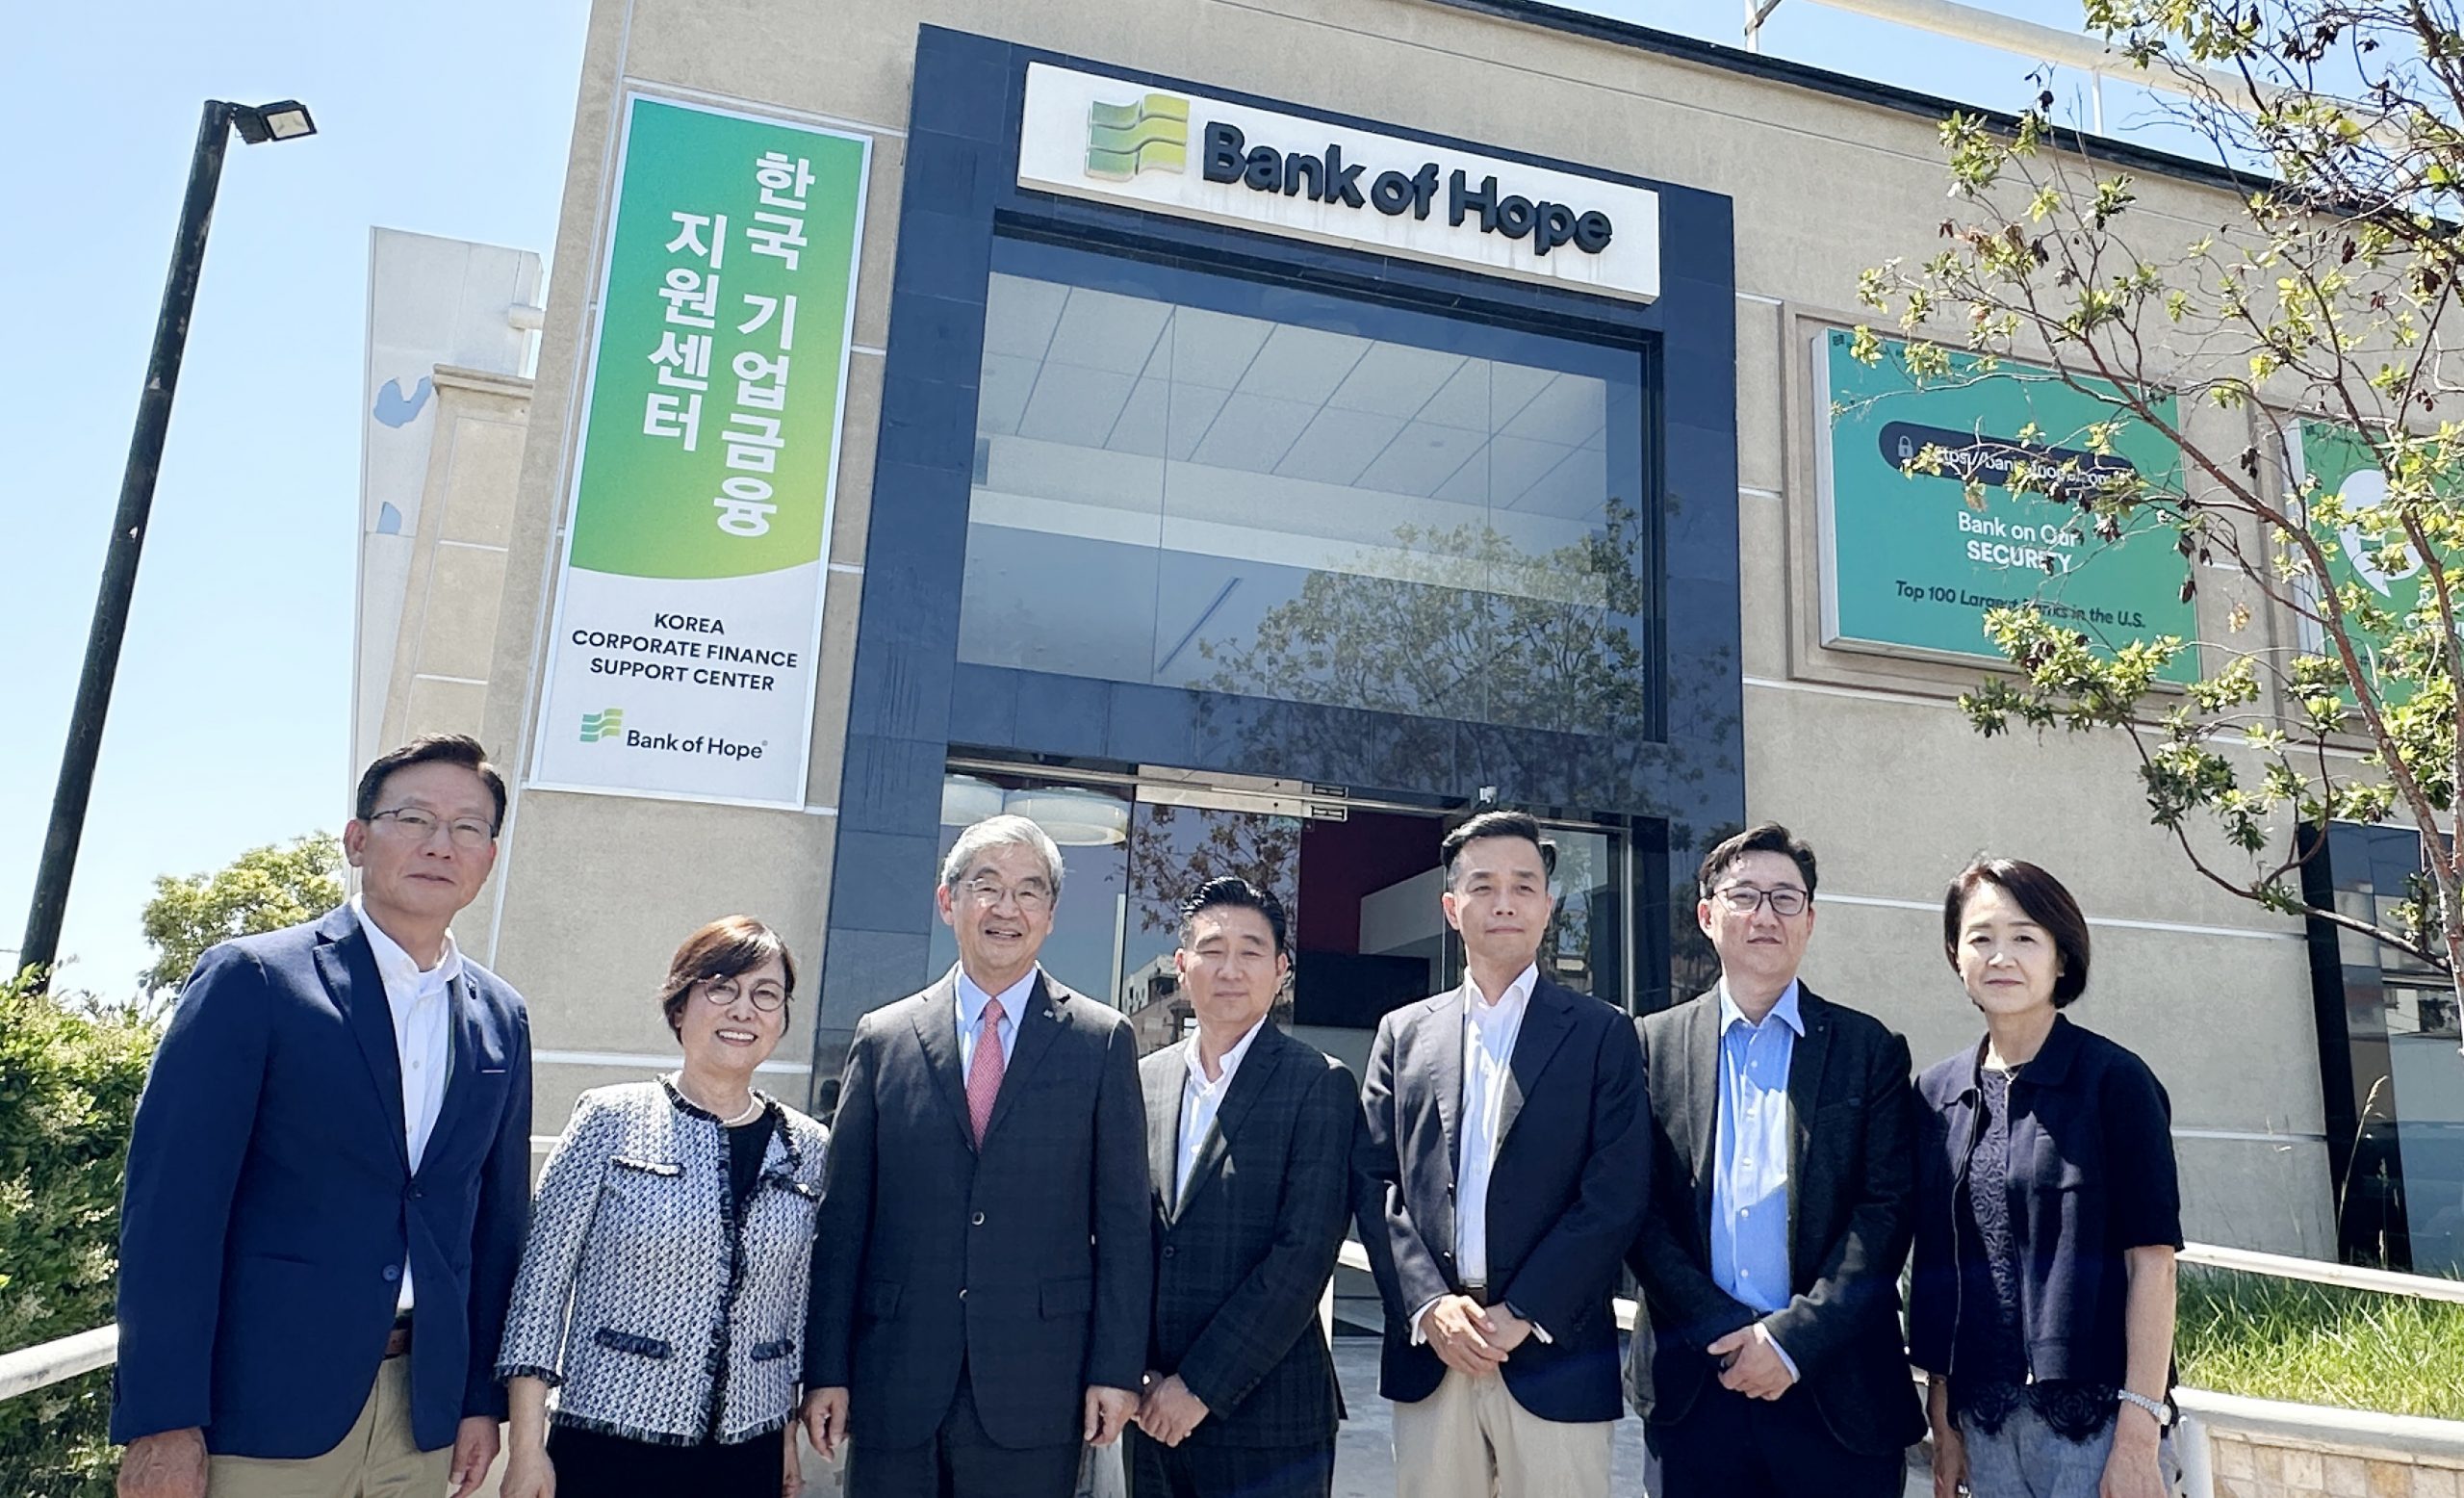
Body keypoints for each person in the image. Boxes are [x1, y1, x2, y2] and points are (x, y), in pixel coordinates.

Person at [112, 735, 533, 1498]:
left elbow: (494, 1226)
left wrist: (480, 1400)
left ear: (490, 857)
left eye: (468, 827)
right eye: (414, 818)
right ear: (358, 838)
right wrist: (161, 1419)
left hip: (421, 1419)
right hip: (261, 1414)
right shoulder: (257, 980)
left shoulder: (502, 1016)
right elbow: (170, 1211)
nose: (442, 844)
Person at [801, 814, 1151, 1497]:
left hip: (1037, 1383)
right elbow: (843, 1221)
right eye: (985, 886)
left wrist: (1114, 1368)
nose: (1005, 908)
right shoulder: (885, 1038)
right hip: (893, 1379)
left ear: (1050, 914)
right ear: (947, 900)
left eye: (1028, 891)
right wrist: (827, 1368)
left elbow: (1125, 1226)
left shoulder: (1101, 1042)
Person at [1624, 821, 1927, 1498]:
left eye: (1786, 898)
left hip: (1837, 1391)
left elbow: (1885, 1214)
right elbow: (1638, 1212)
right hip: (1697, 1391)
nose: (1766, 914)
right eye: (1745, 896)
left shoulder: (1868, 1049)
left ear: (1810, 919)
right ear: (1707, 916)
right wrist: (1731, 1332)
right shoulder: (1648, 1048)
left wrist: (1789, 1340)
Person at [1356, 809, 1651, 1498]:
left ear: (1549, 905)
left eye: (1524, 885)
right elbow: (1376, 1183)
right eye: (1483, 885)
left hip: (1556, 1351)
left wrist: (1523, 1313)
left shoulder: (1603, 1034)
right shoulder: (1403, 1033)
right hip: (1435, 1354)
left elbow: (1615, 1193)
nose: (1505, 902)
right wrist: (1429, 1305)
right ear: (1451, 907)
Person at [496, 917, 828, 1498]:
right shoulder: (609, 1119)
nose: (743, 1009)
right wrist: (527, 1448)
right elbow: (540, 1289)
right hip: (609, 1440)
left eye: (765, 994)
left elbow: (790, 1309)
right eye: (721, 987)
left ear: (781, 1019)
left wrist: (784, 1443)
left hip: (745, 1455)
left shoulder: (808, 1148)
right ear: (680, 1006)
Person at [1912, 858, 2181, 1498]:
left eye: (2025, 937)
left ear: (2062, 958)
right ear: (1957, 957)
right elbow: (1941, 1267)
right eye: (1980, 938)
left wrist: (2139, 1439)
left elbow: (2155, 1265)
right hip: (1983, 1428)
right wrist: (1943, 1424)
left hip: (2095, 1429)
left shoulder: (2115, 1081)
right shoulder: (1936, 1094)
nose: (2000, 956)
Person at [1129, 878, 1357, 1498]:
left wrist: (1199, 1387)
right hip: (1148, 1412)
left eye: (1251, 951)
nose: (1229, 968)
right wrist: (1137, 1376)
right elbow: (1120, 1235)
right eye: (1211, 949)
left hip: (1268, 1421)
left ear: (1281, 971)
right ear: (1182, 966)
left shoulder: (1319, 1085)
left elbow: (1302, 1258)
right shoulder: (1141, 1081)